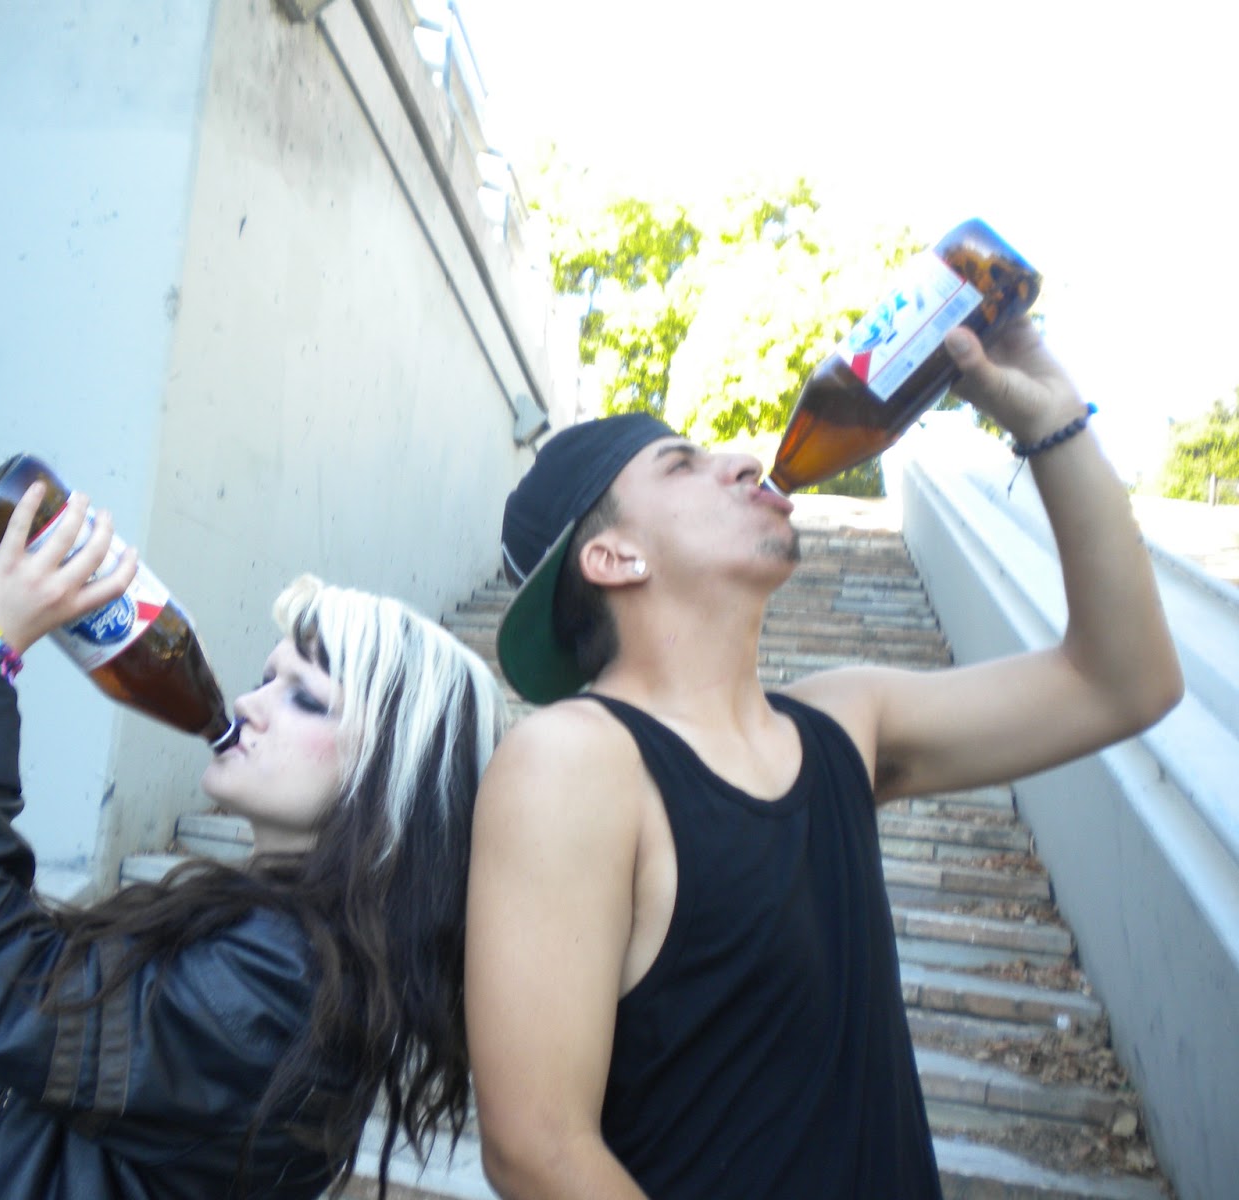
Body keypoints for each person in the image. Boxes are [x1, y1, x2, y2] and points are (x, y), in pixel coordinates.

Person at [464, 319, 1184, 1199]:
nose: (742, 461)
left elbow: (1125, 682)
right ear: (613, 556)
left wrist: (1052, 419)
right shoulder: (573, 762)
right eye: (681, 465)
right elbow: (536, 1147)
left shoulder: (845, 722)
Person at [0, 481, 507, 1199]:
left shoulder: (279, 988)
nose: (247, 704)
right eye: (266, 679)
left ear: (392, 782)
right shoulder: (273, 946)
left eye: (304, 697)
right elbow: (1, 1072)